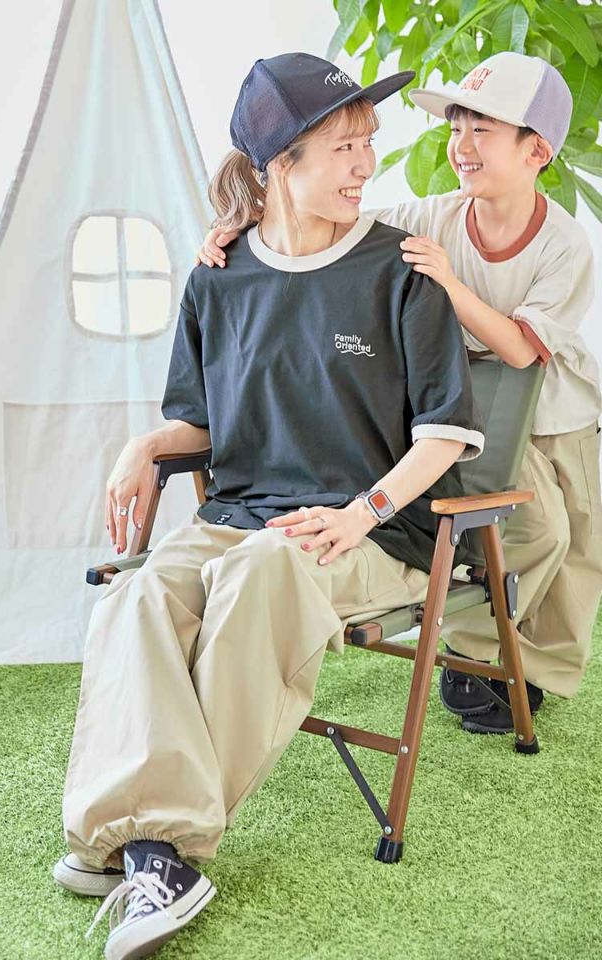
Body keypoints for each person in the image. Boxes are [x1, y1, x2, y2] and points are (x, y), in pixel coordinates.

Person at [56, 53, 484, 960]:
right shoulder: (218, 276)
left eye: (368, 142)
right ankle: (151, 849)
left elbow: (445, 435)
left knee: (260, 571)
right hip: (240, 514)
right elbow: (200, 421)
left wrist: (363, 510)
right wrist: (146, 445)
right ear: (279, 165)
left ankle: (149, 849)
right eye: (344, 147)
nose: (367, 163)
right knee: (136, 595)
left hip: (369, 531)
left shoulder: (401, 268)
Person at [197, 51, 602, 735]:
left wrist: (449, 283)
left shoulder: (564, 242)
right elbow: (326, 218)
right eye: (457, 128)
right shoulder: (434, 215)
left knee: (578, 543)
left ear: (537, 152)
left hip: (553, 405)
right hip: (473, 402)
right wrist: (244, 225)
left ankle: (538, 670)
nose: (461, 145)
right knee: (535, 531)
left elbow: (520, 350)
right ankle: (475, 655)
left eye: (482, 131)